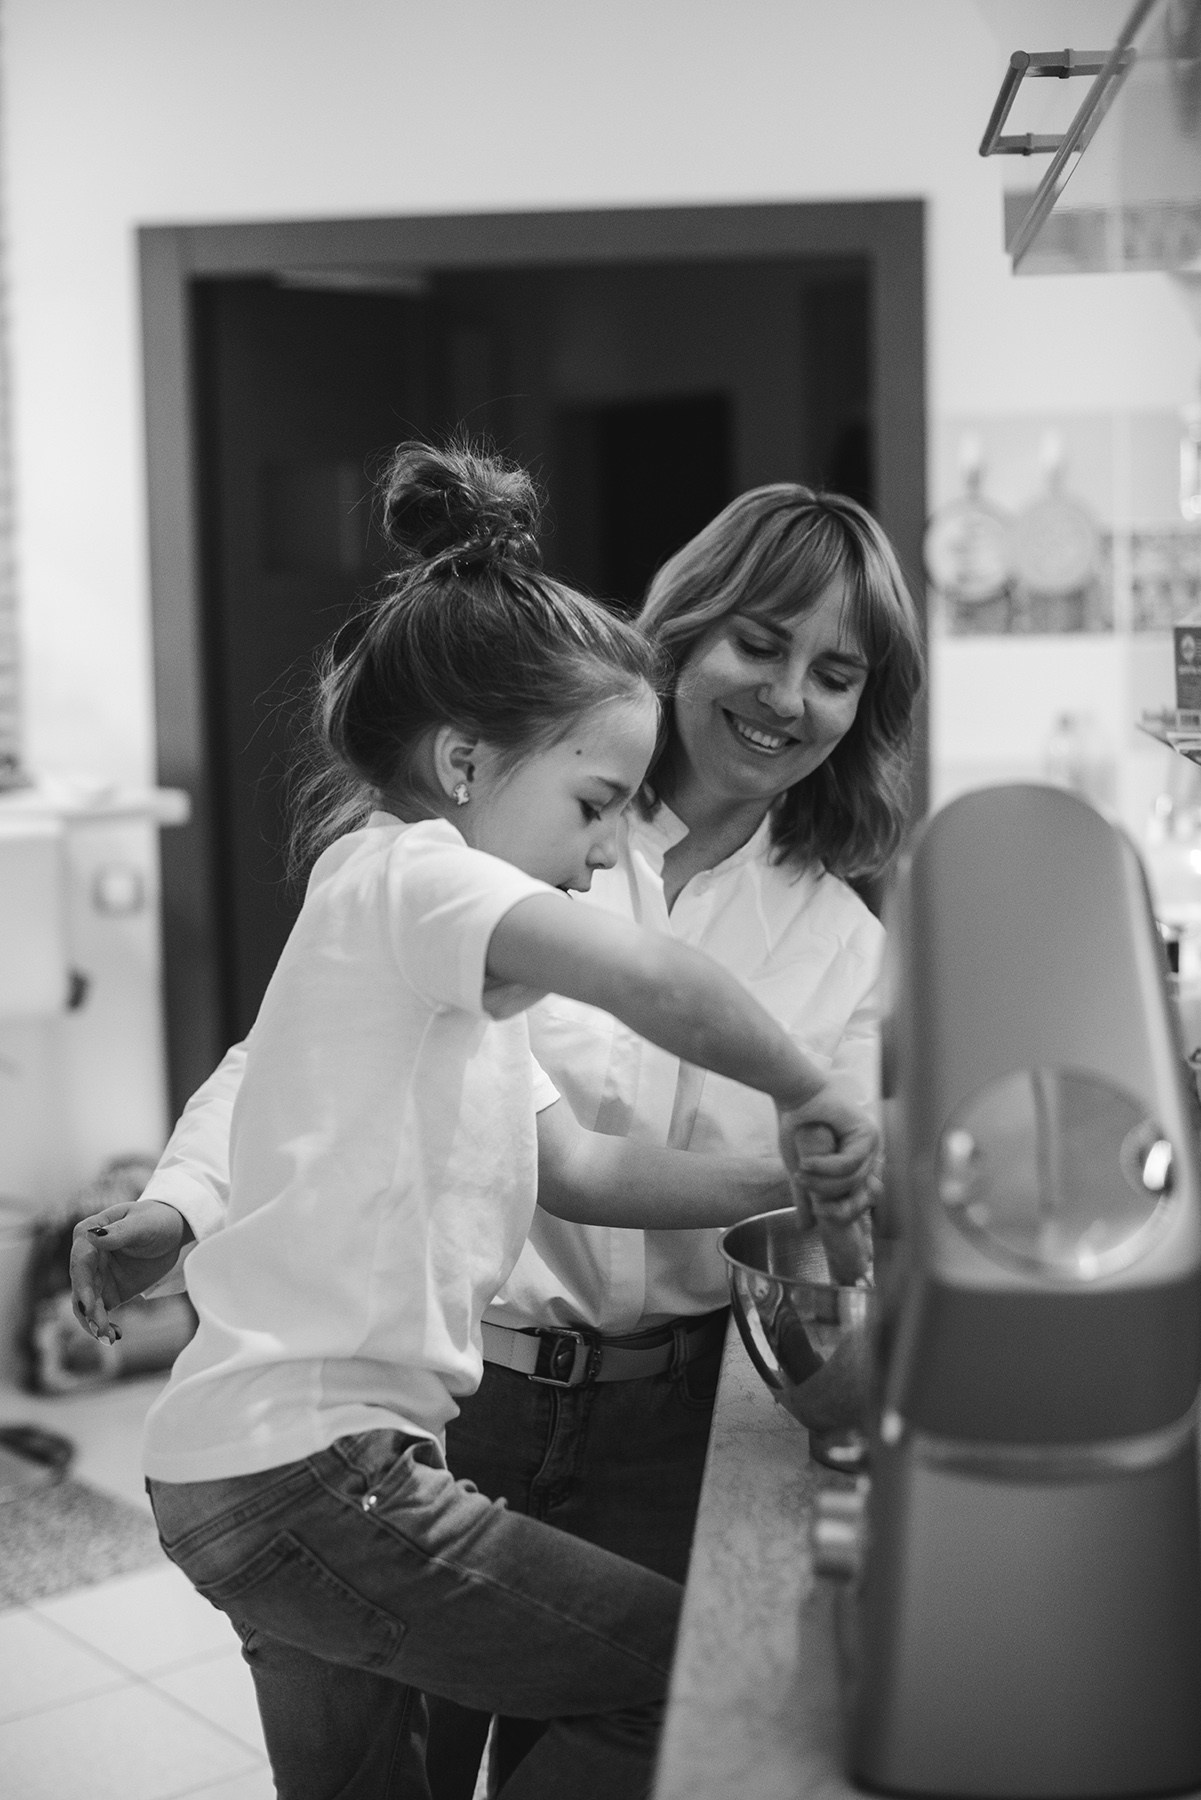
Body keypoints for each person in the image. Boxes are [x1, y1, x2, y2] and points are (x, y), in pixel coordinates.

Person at [73, 469, 923, 1798]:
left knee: (612, 1719)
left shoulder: (838, 936)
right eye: (757, 643)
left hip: (617, 1415)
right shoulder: (475, 840)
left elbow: (586, 1173)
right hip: (428, 1416)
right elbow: (291, 1057)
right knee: (520, 1731)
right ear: (686, 632)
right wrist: (180, 1202)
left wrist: (836, 1164)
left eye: (836, 672)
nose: (785, 693)